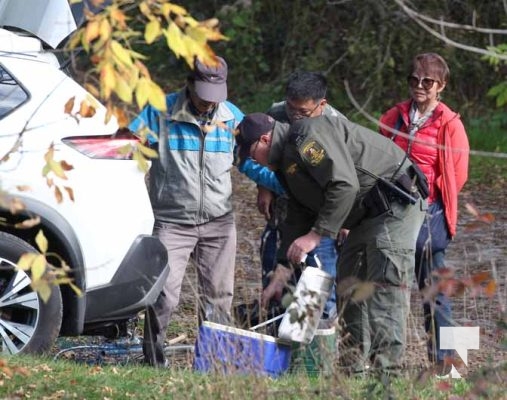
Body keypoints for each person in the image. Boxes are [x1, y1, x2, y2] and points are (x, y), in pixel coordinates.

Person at [235, 112, 427, 374]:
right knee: (348, 286)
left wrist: (316, 235)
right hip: (365, 214)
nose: (252, 161)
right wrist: (282, 270)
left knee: (384, 287)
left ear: (265, 139)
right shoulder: (284, 163)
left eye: (251, 152)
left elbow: (343, 185)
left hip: (395, 204)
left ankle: (388, 375)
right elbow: (297, 213)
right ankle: (352, 371)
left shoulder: (306, 138)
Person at [129, 56, 244, 367]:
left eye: (215, 97)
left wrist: (269, 187)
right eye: (203, 96)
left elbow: (251, 160)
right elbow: (128, 150)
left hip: (220, 222)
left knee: (220, 297)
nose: (209, 104)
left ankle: (213, 363)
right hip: (171, 221)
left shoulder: (232, 118)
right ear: (189, 85)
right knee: (164, 295)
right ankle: (154, 360)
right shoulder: (159, 112)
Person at [379, 52, 469, 374]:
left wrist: (431, 203)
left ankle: (447, 365)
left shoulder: (450, 124)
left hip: (427, 213)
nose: (419, 86)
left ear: (440, 86)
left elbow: (458, 174)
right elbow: (377, 154)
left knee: (436, 291)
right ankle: (384, 363)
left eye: (427, 82)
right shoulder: (395, 116)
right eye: (414, 80)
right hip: (391, 210)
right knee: (386, 285)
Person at [237, 71, 347, 321]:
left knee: (319, 276)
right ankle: (276, 329)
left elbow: (345, 181)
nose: (296, 116)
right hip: (286, 206)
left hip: (322, 213)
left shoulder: (336, 124)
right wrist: (263, 188)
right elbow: (261, 149)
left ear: (321, 105)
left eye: (303, 112)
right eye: (291, 108)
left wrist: (344, 221)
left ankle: (315, 339)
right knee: (276, 268)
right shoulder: (276, 113)